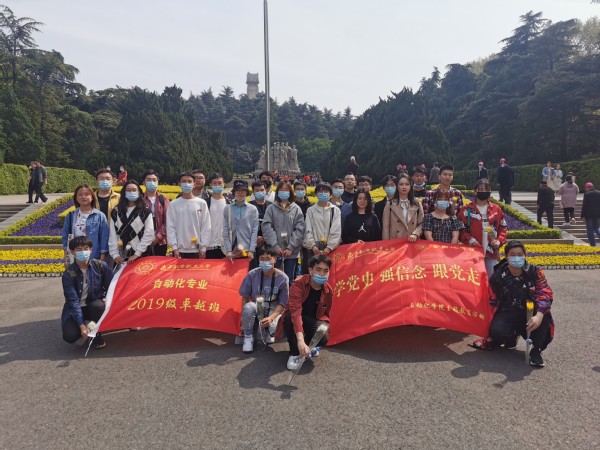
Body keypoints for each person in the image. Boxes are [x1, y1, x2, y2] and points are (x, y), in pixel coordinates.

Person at [472, 241, 554, 368]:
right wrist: (488, 332)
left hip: (529, 312)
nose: (517, 258)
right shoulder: (498, 275)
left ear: (525, 255)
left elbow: (545, 293)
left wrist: (539, 315)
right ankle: (511, 336)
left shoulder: (534, 271)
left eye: (520, 254)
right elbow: (491, 301)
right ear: (506, 256)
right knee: (497, 331)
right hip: (507, 311)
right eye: (513, 254)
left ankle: (536, 350)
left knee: (544, 317)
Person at [278, 254, 333, 370]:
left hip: (312, 320)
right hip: (296, 318)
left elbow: (326, 313)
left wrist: (324, 327)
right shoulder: (298, 284)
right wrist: (300, 340)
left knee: (323, 334)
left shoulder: (328, 290)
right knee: (289, 317)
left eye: (326, 270)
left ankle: (308, 348)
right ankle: (294, 354)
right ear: (310, 269)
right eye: (318, 269)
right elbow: (295, 312)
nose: (322, 274)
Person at [61, 236, 113, 349]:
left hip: (93, 306)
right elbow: (73, 301)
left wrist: (105, 296)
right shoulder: (68, 274)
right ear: (72, 252)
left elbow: (112, 287)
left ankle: (96, 335)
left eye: (86, 248)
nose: (83, 252)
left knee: (98, 306)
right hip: (76, 308)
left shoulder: (100, 266)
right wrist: (81, 325)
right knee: (70, 336)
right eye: (79, 249)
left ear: (91, 250)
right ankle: (86, 326)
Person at [239, 248, 289, 353]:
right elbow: (245, 296)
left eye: (268, 258)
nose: (265, 261)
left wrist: (271, 318)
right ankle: (248, 337)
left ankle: (268, 331)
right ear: (258, 260)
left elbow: (282, 303)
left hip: (273, 308)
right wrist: (243, 317)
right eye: (262, 258)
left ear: (275, 259)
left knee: (274, 332)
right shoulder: (252, 274)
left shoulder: (283, 278)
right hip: (257, 306)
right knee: (248, 307)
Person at [458, 179, 508, 276]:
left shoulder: (496, 209)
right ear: (475, 191)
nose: (484, 191)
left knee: (491, 279)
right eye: (481, 189)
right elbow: (461, 229)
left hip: (491, 252)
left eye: (487, 189)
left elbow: (503, 228)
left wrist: (499, 241)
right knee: (474, 278)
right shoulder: (466, 209)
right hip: (472, 252)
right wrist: (471, 240)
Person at [262, 180, 305, 284]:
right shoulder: (271, 208)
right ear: (277, 192)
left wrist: (291, 247)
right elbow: (267, 227)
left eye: (286, 189)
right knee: (274, 278)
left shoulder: (296, 209)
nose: (284, 192)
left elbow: (300, 229)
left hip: (291, 252)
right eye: (281, 190)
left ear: (290, 192)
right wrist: (275, 246)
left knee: (289, 279)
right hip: (275, 252)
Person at [62, 184, 110, 266]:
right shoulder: (70, 216)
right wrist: (66, 257)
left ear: (92, 197)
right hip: (75, 258)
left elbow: (104, 237)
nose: (83, 197)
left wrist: (102, 258)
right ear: (76, 198)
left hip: (94, 257)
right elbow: (66, 237)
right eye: (80, 195)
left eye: (87, 194)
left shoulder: (99, 216)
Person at [166, 172, 212, 259]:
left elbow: (206, 226)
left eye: (189, 181)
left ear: (194, 184)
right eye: (184, 181)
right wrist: (174, 247)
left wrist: (203, 248)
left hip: (197, 250)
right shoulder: (173, 204)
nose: (187, 184)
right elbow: (170, 227)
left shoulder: (201, 203)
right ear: (179, 184)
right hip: (178, 250)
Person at [108, 180, 155, 264]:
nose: (131, 192)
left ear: (139, 192)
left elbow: (149, 234)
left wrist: (137, 253)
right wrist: (115, 254)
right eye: (128, 190)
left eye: (134, 190)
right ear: (124, 192)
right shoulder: (116, 212)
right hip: (122, 255)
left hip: (143, 254)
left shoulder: (145, 211)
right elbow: (112, 235)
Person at [303, 182, 342, 272]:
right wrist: (313, 246)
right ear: (316, 194)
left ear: (330, 195)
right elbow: (308, 229)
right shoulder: (311, 210)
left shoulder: (335, 210)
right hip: (314, 250)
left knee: (329, 273)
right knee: (314, 272)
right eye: (320, 192)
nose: (323, 194)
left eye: (326, 192)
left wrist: (329, 247)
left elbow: (336, 230)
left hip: (330, 249)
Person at [223, 180, 259, 260]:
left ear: (247, 192)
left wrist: (252, 250)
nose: (240, 192)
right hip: (232, 249)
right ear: (234, 192)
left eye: (243, 190)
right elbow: (225, 231)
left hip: (247, 249)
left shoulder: (253, 209)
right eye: (237, 190)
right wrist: (228, 250)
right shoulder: (227, 208)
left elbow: (254, 231)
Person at [382, 173, 423, 242]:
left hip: (412, 241)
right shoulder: (390, 204)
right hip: (395, 242)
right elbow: (385, 228)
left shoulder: (417, 203)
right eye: (401, 184)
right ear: (397, 186)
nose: (404, 187)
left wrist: (415, 234)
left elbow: (421, 223)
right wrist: (386, 244)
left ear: (410, 186)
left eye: (407, 184)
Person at [142, 169, 170, 256]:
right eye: (149, 180)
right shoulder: (139, 200)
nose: (152, 182)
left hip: (160, 241)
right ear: (144, 183)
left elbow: (167, 220)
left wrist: (158, 237)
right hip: (142, 240)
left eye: (154, 180)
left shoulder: (163, 199)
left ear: (158, 182)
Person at [205, 173, 230, 259]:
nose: (217, 185)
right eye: (214, 183)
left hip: (225, 247)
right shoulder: (205, 203)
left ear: (224, 184)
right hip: (209, 246)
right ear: (210, 185)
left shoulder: (229, 203)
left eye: (219, 183)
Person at [249, 180, 272, 270]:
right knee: (253, 270)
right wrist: (256, 238)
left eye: (262, 190)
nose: (260, 192)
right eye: (257, 190)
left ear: (266, 190)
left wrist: (265, 238)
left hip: (269, 244)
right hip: (252, 244)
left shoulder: (271, 206)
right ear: (253, 192)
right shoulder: (249, 206)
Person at [581, 182, 600, 246]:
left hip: (589, 215)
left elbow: (584, 205)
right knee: (597, 228)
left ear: (587, 187)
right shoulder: (599, 193)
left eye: (585, 188)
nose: (585, 189)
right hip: (597, 214)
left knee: (590, 229)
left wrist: (582, 215)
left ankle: (592, 244)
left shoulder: (587, 194)